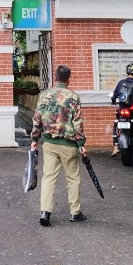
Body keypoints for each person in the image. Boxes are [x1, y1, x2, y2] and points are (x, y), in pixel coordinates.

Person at [30, 64, 88, 226]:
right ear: (68, 79)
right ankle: (75, 212)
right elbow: (77, 122)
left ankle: (45, 212)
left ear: (55, 77)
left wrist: (35, 140)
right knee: (73, 178)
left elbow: (37, 118)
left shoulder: (44, 95)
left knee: (48, 177)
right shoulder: (73, 97)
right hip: (69, 144)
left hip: (49, 143)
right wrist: (81, 143)